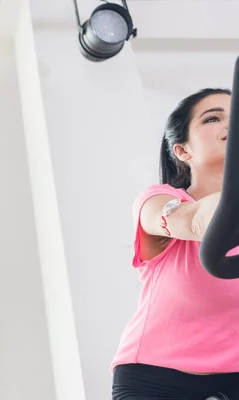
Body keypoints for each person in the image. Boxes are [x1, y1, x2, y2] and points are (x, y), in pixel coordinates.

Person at [110, 88, 239, 399]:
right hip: (157, 377)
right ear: (183, 151)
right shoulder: (160, 201)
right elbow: (197, 222)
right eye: (212, 118)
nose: (231, 123)